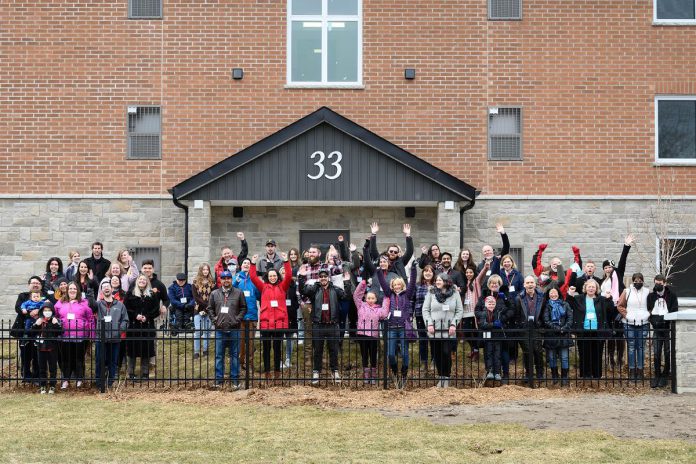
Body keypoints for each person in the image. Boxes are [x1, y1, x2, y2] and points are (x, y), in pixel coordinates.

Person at [299, 266, 352, 385]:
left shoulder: (335, 289)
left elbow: (346, 296)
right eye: (321, 276)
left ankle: (335, 371)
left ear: (328, 278)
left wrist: (347, 282)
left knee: (333, 350)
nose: (323, 278)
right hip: (318, 324)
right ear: (319, 278)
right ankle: (316, 371)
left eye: (325, 276)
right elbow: (303, 291)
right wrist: (302, 277)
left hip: (332, 325)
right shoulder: (315, 289)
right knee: (317, 350)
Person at [250, 253, 292, 385]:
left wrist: (286, 261)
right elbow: (253, 277)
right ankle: (267, 372)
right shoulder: (263, 287)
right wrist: (252, 264)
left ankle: (277, 373)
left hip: (279, 323)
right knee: (266, 349)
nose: (272, 277)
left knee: (277, 348)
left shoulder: (282, 287)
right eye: (270, 276)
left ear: (277, 276)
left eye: (274, 275)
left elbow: (289, 276)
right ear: (267, 277)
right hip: (266, 323)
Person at [377, 262, 418, 389]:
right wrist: (378, 270)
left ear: (402, 285)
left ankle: (404, 374)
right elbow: (383, 284)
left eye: (399, 284)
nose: (397, 287)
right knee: (390, 354)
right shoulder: (389, 294)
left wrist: (413, 269)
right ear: (392, 286)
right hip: (391, 328)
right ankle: (395, 372)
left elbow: (412, 283)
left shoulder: (407, 294)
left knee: (405, 354)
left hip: (403, 328)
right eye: (395, 285)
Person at [567, 279, 616, 380]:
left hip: (597, 330)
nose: (591, 288)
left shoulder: (601, 299)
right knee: (584, 353)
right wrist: (570, 294)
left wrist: (609, 298)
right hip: (583, 330)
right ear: (585, 288)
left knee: (597, 353)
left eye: (593, 287)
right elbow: (569, 304)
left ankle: (596, 375)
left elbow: (611, 310)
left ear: (596, 289)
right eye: (589, 286)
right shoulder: (578, 298)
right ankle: (585, 375)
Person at [423, 273, 464, 388]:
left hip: (448, 330)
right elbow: (425, 310)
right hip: (434, 330)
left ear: (446, 281)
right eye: (436, 280)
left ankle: (446, 377)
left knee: (446, 353)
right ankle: (441, 377)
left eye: (440, 280)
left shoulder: (455, 293)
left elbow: (459, 311)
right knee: (437, 355)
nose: (437, 282)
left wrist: (454, 324)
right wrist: (429, 324)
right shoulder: (431, 293)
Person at [207, 270, 247, 389]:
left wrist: (237, 320)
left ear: (231, 279)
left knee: (234, 355)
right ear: (220, 280)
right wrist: (215, 320)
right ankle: (219, 380)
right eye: (224, 278)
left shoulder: (238, 293)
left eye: (228, 278)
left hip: (234, 329)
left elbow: (243, 308)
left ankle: (235, 380)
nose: (226, 280)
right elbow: (210, 309)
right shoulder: (214, 294)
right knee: (219, 355)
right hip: (220, 329)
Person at [601, 234, 634, 369]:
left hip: (618, 307)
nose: (608, 269)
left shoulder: (618, 274)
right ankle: (610, 360)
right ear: (603, 269)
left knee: (619, 333)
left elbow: (623, 260)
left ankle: (620, 359)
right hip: (607, 308)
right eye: (606, 267)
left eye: (610, 267)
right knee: (610, 334)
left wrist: (626, 246)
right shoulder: (601, 281)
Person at [54, 281, 95, 389]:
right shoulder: (60, 303)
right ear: (67, 291)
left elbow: (91, 319)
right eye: (70, 288)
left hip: (81, 336)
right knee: (65, 359)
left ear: (78, 291)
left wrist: (92, 335)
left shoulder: (84, 303)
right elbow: (56, 317)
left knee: (79, 358)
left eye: (74, 289)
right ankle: (65, 380)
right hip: (64, 336)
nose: (72, 290)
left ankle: (79, 379)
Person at [477, 275, 515, 383]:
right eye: (492, 283)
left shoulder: (504, 295)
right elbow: (477, 310)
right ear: (489, 285)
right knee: (488, 351)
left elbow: (511, 309)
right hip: (488, 329)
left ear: (500, 284)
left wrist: (502, 318)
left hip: (500, 329)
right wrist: (485, 315)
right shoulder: (484, 296)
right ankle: (489, 371)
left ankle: (500, 372)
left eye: (496, 283)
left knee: (499, 352)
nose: (494, 285)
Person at [353, 278, 389, 385]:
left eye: (372, 298)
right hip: (362, 334)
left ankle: (373, 375)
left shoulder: (378, 309)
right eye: (368, 298)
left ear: (376, 299)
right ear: (365, 298)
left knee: (373, 355)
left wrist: (387, 297)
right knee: (364, 355)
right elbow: (356, 295)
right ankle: (366, 375)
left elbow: (385, 313)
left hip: (373, 335)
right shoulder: (361, 306)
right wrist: (363, 284)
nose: (370, 299)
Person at [124, 275, 160, 380]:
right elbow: (126, 308)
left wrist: (147, 317)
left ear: (147, 282)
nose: (142, 281)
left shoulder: (152, 294)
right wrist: (135, 315)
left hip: (147, 325)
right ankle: (130, 373)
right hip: (133, 325)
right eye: (140, 279)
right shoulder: (130, 293)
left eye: (144, 280)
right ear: (137, 281)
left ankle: (145, 373)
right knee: (132, 350)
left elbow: (156, 309)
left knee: (146, 349)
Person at [617, 272, 652, 381]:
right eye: (636, 281)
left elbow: (651, 305)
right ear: (633, 281)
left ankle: (640, 370)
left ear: (643, 281)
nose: (638, 283)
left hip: (644, 322)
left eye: (640, 281)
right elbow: (620, 305)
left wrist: (648, 314)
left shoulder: (647, 292)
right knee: (631, 347)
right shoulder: (627, 291)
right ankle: (632, 370)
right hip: (629, 322)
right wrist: (627, 315)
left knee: (641, 346)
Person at [14, 276, 49, 383]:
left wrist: (39, 310)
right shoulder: (23, 296)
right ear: (29, 285)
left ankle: (37, 376)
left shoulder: (45, 296)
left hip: (39, 329)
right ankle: (26, 376)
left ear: (41, 285)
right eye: (33, 283)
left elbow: (50, 307)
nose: (35, 284)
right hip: (25, 328)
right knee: (25, 353)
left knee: (37, 353)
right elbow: (18, 308)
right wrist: (30, 312)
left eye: (38, 283)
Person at [95, 281, 129, 389]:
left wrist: (118, 331)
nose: (106, 288)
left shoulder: (120, 305)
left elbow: (125, 320)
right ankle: (99, 383)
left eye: (108, 286)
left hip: (115, 339)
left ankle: (110, 382)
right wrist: (91, 293)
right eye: (103, 287)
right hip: (101, 338)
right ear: (101, 291)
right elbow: (90, 305)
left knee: (113, 362)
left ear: (111, 288)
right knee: (100, 361)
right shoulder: (98, 304)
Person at [647, 274, 678, 388]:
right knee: (656, 353)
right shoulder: (651, 296)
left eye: (660, 284)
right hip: (656, 328)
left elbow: (674, 310)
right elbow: (648, 310)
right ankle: (657, 375)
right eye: (656, 283)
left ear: (664, 283)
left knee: (667, 352)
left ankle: (665, 375)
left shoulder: (672, 296)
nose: (658, 285)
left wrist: (666, 320)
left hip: (667, 328)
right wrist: (653, 321)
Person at [515, 275, 545, 386]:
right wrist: (520, 326)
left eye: (532, 282)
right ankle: (529, 374)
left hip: (537, 328)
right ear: (524, 285)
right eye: (527, 283)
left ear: (535, 284)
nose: (530, 285)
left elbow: (543, 313)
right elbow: (517, 315)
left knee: (538, 351)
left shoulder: (542, 297)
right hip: (525, 329)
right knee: (527, 352)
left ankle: (540, 374)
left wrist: (541, 324)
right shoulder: (519, 298)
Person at [476, 296, 511, 385]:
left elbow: (507, 308)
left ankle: (497, 372)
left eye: (493, 304)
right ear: (486, 304)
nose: (491, 305)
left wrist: (506, 299)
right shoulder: (483, 313)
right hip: (488, 338)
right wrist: (493, 324)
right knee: (488, 354)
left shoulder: (498, 312)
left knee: (497, 355)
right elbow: (483, 324)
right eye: (489, 304)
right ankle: (490, 371)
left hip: (497, 337)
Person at [542, 287, 573, 386]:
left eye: (555, 292)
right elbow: (546, 320)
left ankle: (564, 377)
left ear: (559, 294)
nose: (553, 294)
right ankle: (554, 376)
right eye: (551, 293)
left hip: (564, 334)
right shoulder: (546, 306)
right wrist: (556, 328)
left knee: (564, 357)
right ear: (548, 295)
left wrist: (564, 327)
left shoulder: (565, 304)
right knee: (551, 357)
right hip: (551, 335)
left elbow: (570, 317)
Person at [29, 301, 62, 394]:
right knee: (42, 368)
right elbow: (31, 332)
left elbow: (60, 332)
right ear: (42, 311)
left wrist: (56, 324)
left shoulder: (55, 320)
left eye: (49, 310)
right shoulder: (39, 320)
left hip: (52, 348)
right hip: (41, 348)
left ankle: (52, 385)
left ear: (52, 311)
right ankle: (43, 385)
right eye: (45, 310)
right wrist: (36, 324)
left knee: (53, 368)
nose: (47, 312)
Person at [233, 258, 260, 370]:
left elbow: (259, 295)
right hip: (240, 316)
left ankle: (250, 364)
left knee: (250, 342)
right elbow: (230, 291)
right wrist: (236, 281)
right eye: (244, 263)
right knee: (240, 342)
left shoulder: (254, 279)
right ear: (241, 265)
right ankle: (240, 363)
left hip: (252, 315)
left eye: (248, 263)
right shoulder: (236, 278)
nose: (246, 265)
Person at [461, 263, 488, 361]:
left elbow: (482, 274)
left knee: (476, 332)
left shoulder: (476, 282)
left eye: (470, 272)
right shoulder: (463, 283)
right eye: (467, 272)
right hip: (465, 312)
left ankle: (476, 351)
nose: (468, 274)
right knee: (466, 332)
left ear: (474, 273)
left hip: (474, 312)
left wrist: (486, 267)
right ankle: (475, 349)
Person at [413, 264, 435, 370]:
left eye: (430, 271)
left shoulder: (437, 285)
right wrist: (410, 314)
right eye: (426, 270)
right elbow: (412, 300)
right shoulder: (417, 285)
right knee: (423, 339)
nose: (428, 272)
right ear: (423, 273)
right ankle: (424, 362)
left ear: (433, 273)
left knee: (434, 338)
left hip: (434, 316)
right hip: (420, 315)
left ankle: (434, 361)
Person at [192, 263, 215, 359]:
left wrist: (208, 308)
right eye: (203, 269)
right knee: (198, 331)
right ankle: (196, 351)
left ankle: (205, 350)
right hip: (198, 309)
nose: (205, 271)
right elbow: (196, 297)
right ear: (200, 270)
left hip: (209, 310)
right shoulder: (195, 282)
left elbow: (213, 296)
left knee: (207, 331)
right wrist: (206, 306)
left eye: (207, 269)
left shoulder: (212, 282)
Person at [279, 264, 299, 369]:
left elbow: (297, 299)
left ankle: (288, 359)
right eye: (282, 272)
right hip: (280, 316)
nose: (284, 274)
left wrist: (294, 307)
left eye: (285, 272)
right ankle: (280, 360)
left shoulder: (293, 285)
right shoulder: (277, 285)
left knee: (290, 338)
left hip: (291, 315)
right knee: (280, 339)